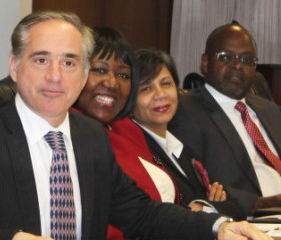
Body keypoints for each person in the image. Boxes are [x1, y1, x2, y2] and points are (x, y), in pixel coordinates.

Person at [0, 11, 271, 240]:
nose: (55, 76)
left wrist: (219, 226)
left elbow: (140, 212)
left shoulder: (90, 137)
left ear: (83, 72)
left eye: (70, 62)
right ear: (15, 66)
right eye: (41, 59)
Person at [73, 28, 246, 239]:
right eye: (99, 70)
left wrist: (215, 222)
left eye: (123, 75)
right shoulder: (76, 133)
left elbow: (143, 211)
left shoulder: (126, 130)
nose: (112, 82)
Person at [169, 23, 281, 214]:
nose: (237, 65)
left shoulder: (271, 110)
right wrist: (266, 203)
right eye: (225, 57)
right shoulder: (185, 111)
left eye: (246, 59)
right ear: (205, 62)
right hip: (252, 220)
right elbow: (199, 184)